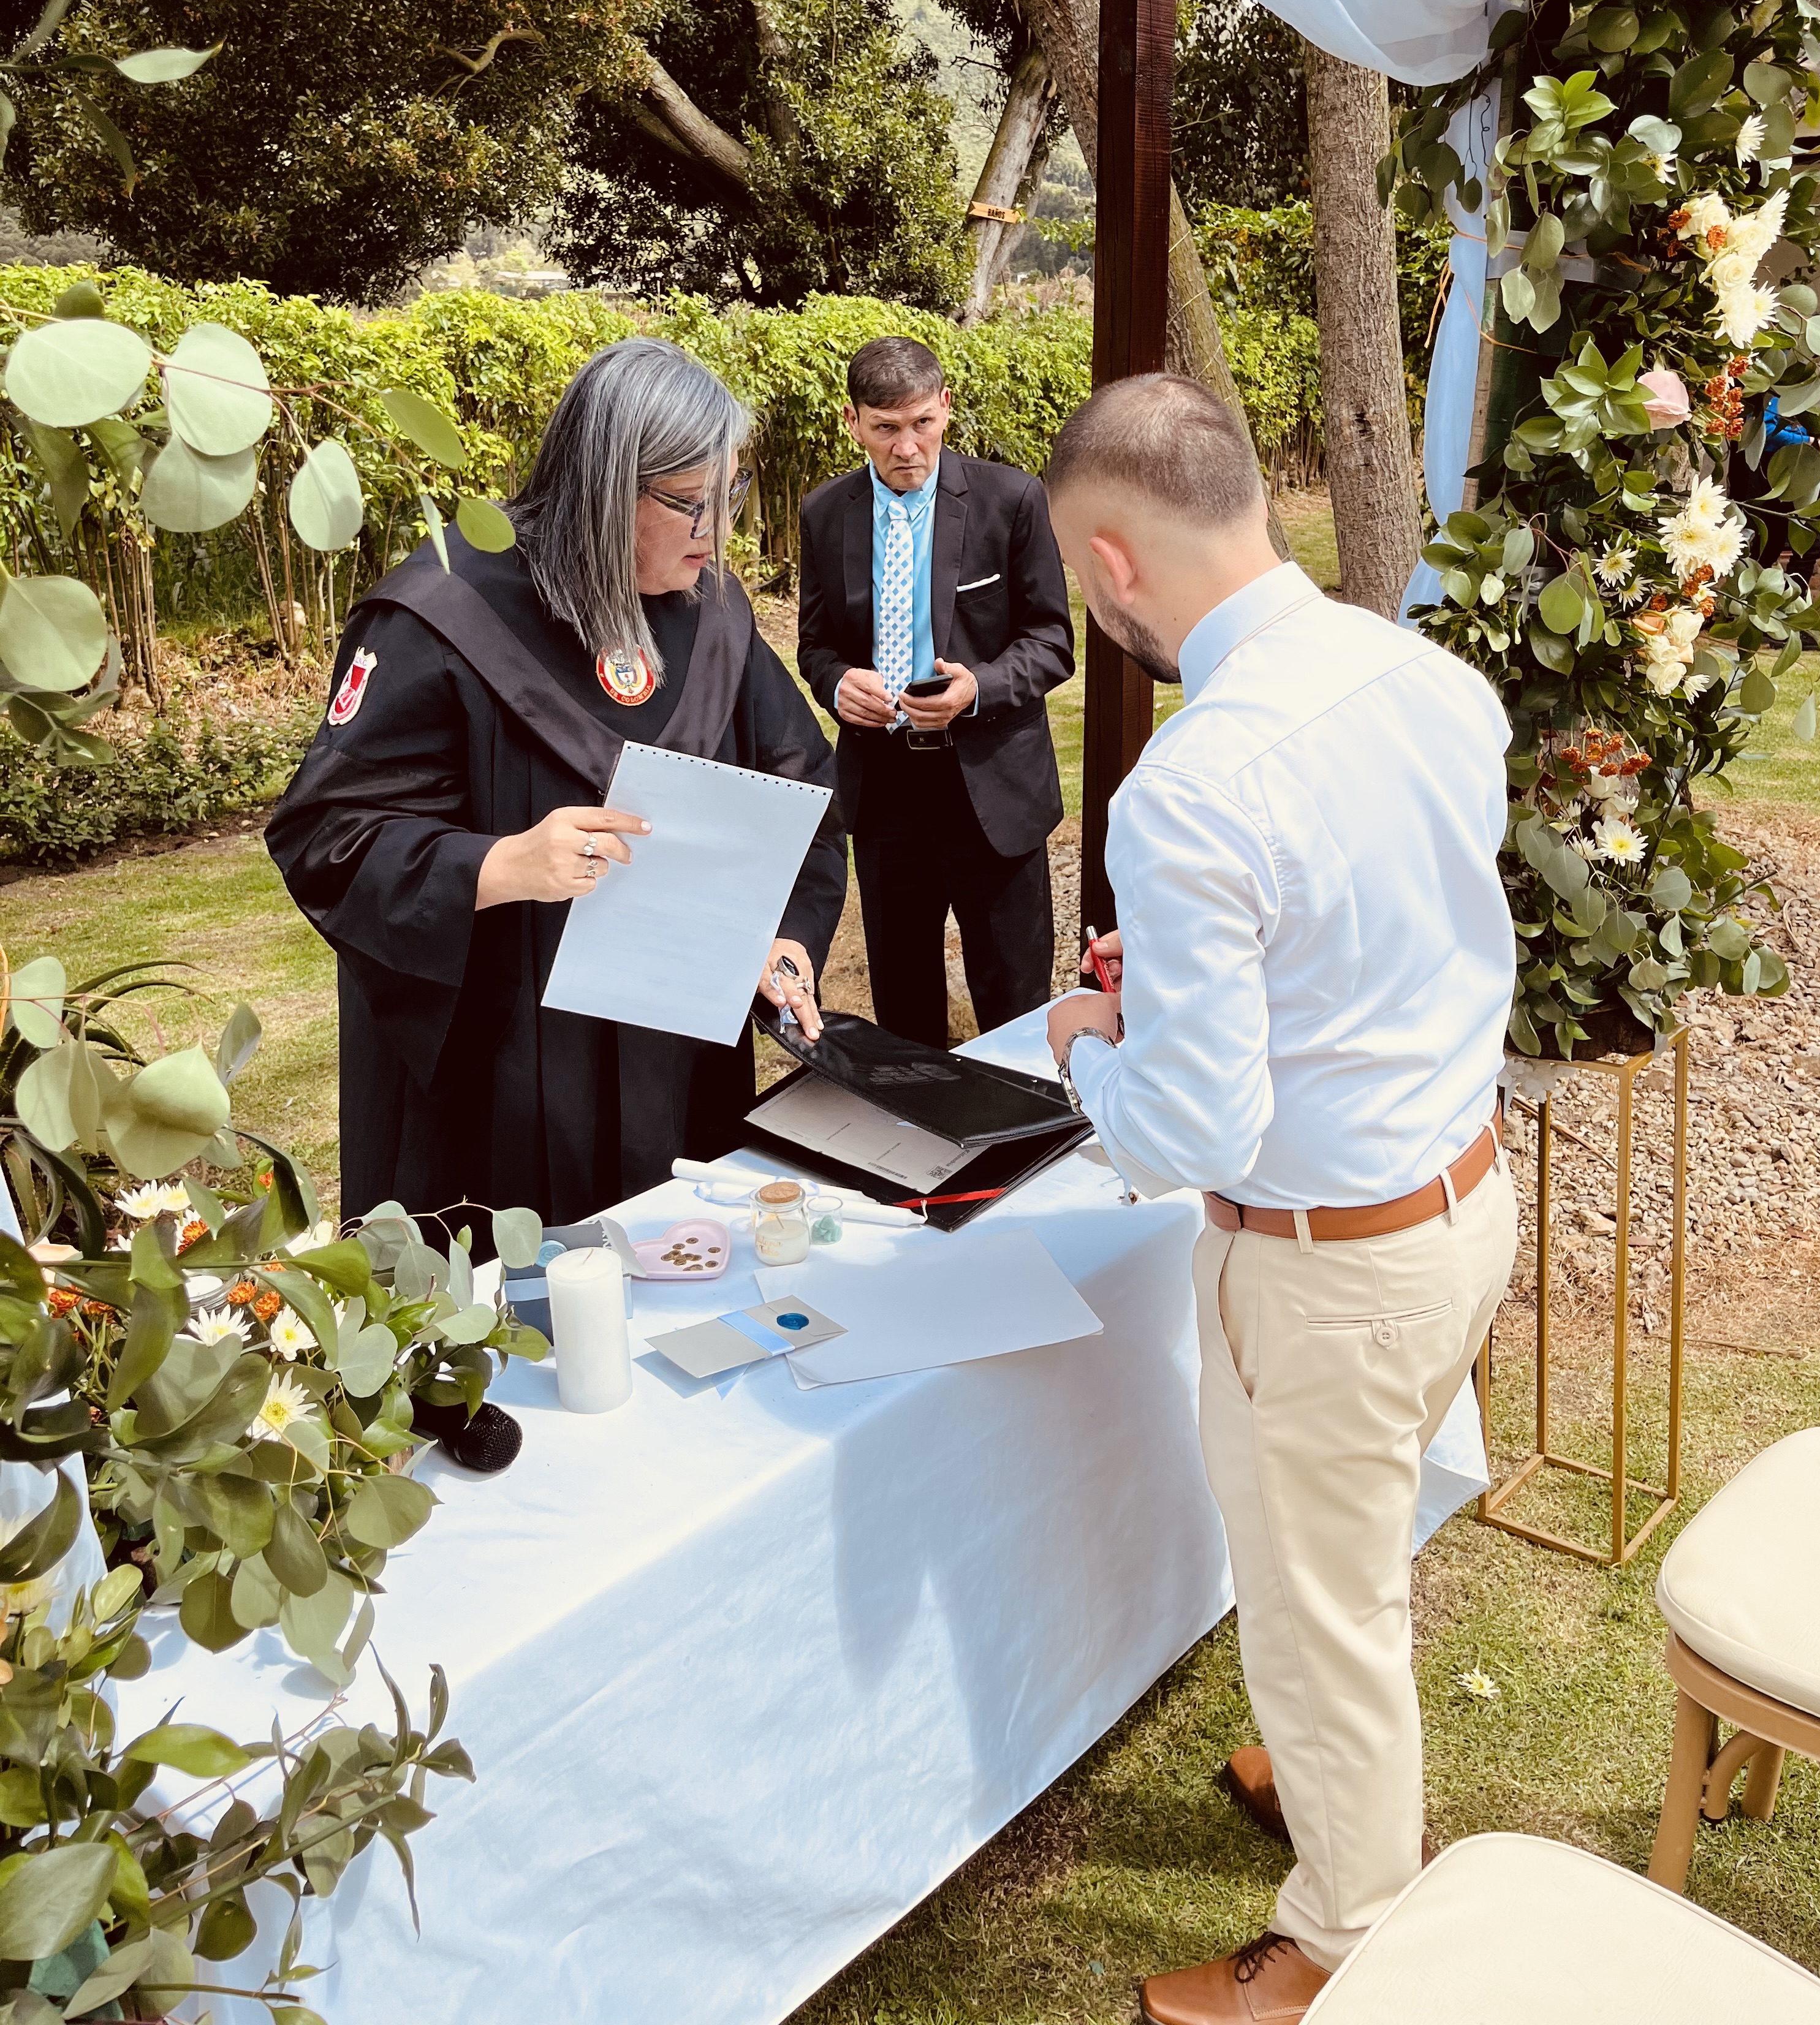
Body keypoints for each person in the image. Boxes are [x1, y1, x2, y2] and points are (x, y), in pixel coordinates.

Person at [1041, 374, 1517, 2025]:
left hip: (1329, 1263)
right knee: (1350, 1550)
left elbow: (1186, 1128)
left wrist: (1092, 1042)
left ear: (1112, 564)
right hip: (1460, 1199)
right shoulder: (1428, 675)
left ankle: (1342, 1934)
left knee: (1320, 1587)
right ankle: (1334, 1771)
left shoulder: (1187, 787)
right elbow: (1402, 935)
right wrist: (1178, 984)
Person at [269, 336, 846, 1249]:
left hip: (677, 1057)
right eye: (691, 505)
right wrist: (499, 863)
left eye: (727, 495)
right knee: (514, 1334)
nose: (717, 533)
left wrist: (787, 938)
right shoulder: (444, 612)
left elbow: (804, 791)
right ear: (608, 487)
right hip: (501, 1071)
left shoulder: (713, 617)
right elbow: (326, 835)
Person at [796, 335, 1074, 1046]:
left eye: (922, 423)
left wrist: (976, 686)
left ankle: (1024, 1142)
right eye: (886, 429)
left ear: (946, 408)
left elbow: (1052, 642)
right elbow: (816, 645)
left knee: (1014, 1007)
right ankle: (919, 1150)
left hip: (992, 791)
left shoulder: (1011, 500)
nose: (907, 447)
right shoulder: (824, 514)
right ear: (853, 421)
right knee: (905, 1007)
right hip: (886, 791)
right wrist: (835, 685)